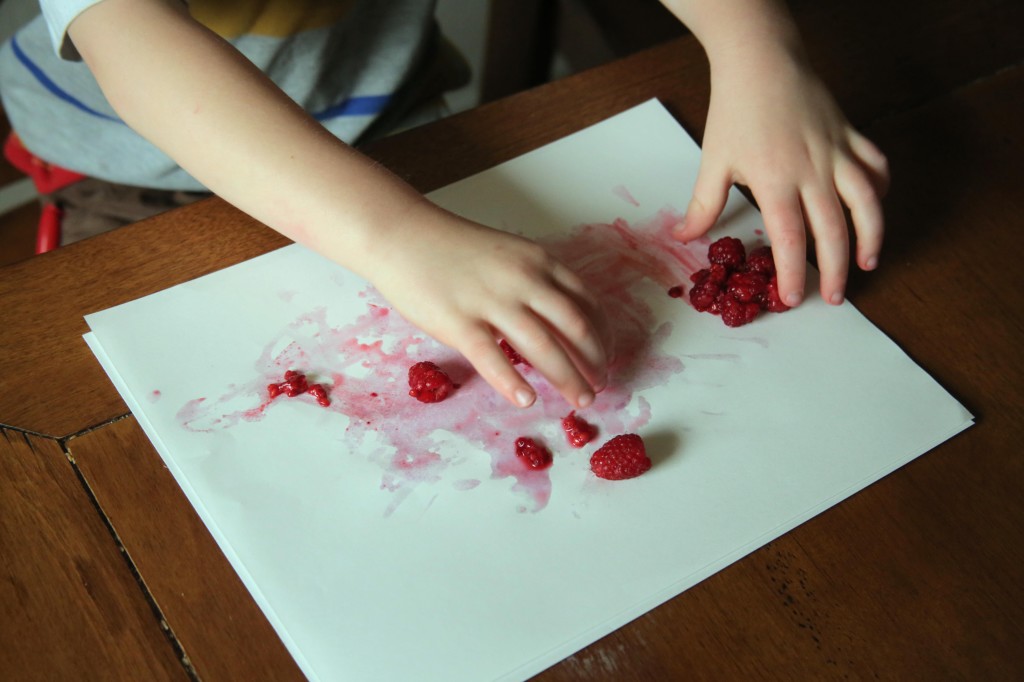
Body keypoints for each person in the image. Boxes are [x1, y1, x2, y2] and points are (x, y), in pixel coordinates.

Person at [0, 0, 888, 412]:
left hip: (387, 116)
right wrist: (391, 235)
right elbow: (127, 34)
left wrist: (755, 45)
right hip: (133, 172)